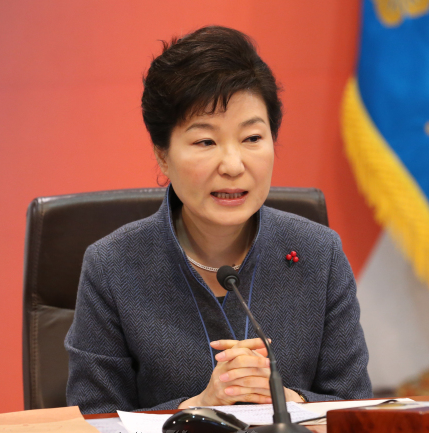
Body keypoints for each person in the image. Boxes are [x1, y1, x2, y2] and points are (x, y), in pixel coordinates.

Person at [65, 25, 372, 413]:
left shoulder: (319, 254)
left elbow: (356, 407)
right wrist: (195, 408)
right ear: (162, 155)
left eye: (252, 138)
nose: (233, 164)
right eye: (205, 141)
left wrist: (287, 400)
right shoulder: (113, 266)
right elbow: (93, 424)